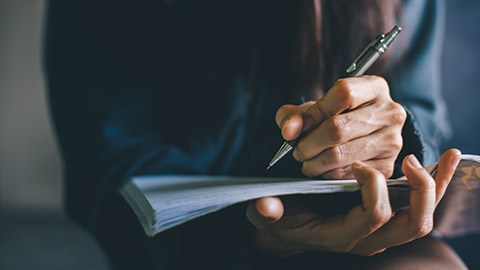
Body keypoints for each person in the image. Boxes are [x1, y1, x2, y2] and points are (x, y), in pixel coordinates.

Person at [45, 0, 466, 269]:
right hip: (188, 251)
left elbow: (422, 113)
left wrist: (390, 142)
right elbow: (108, 170)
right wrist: (246, 237)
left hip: (366, 236)